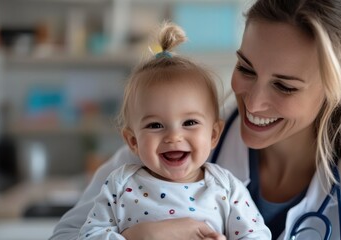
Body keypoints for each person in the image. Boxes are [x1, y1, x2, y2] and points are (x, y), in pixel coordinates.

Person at [51, 0, 341, 239]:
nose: (253, 101)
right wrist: (141, 236)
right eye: (246, 69)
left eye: (284, 87)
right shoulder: (158, 147)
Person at [77, 22, 271, 240]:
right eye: (155, 125)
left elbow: (256, 236)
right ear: (132, 141)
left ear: (214, 134)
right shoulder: (120, 185)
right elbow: (88, 236)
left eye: (189, 123)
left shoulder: (226, 188)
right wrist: (137, 237)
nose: (173, 137)